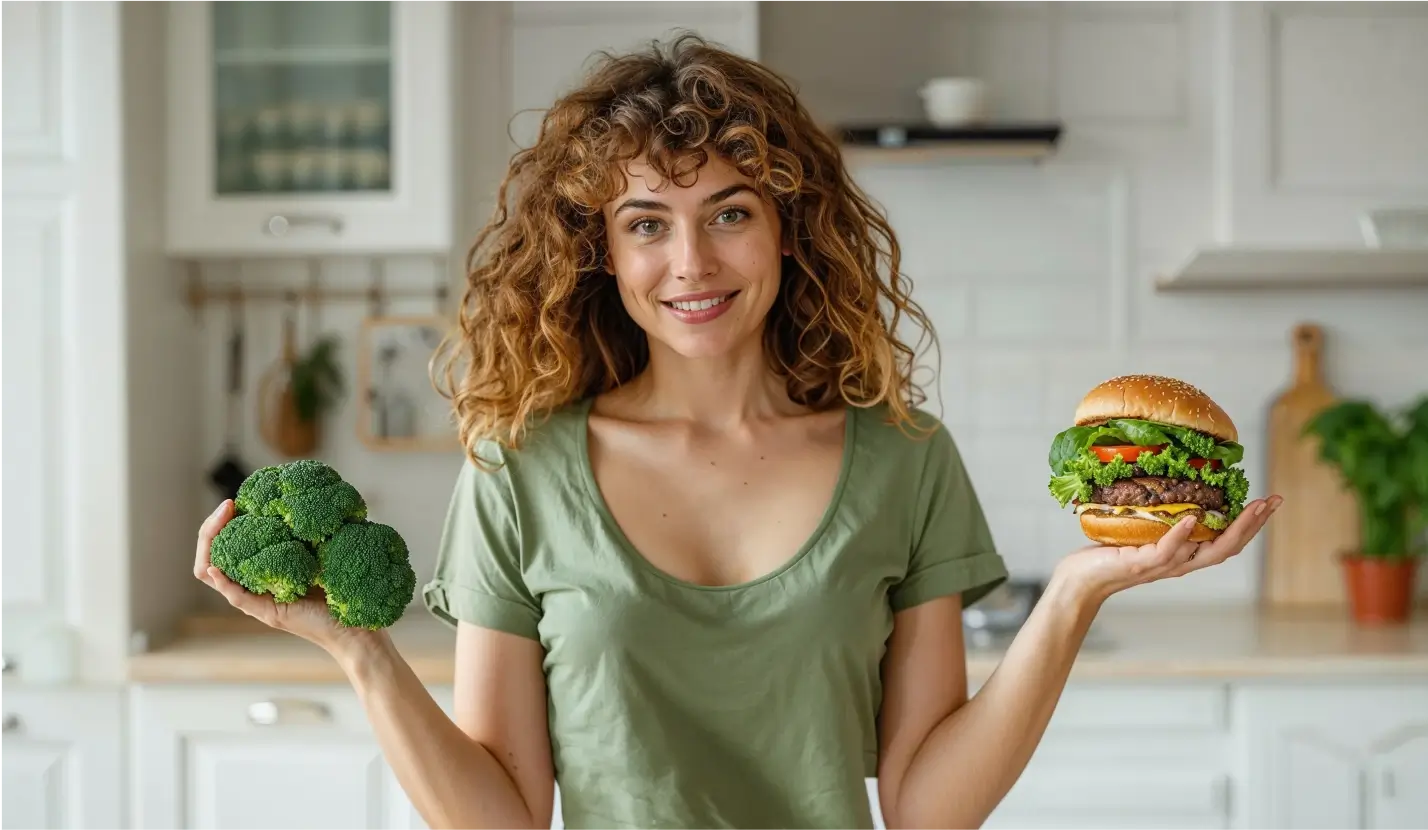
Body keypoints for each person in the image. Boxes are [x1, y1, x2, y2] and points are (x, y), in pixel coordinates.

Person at [192, 34, 1282, 830]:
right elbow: (504, 818)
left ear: (787, 227)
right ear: (601, 254)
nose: (692, 264)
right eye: (646, 224)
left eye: (729, 211)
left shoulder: (904, 457)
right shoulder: (519, 471)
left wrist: (1076, 594)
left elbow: (926, 807)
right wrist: (359, 651)